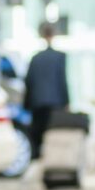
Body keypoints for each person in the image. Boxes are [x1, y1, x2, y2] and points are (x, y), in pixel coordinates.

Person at [23, 23, 69, 160]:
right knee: (53, 134)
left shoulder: (35, 58)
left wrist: (27, 104)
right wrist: (66, 102)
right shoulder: (60, 57)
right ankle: (52, 159)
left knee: (38, 134)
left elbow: (28, 81)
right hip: (55, 104)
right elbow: (62, 81)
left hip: (38, 103)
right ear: (53, 35)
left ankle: (38, 158)